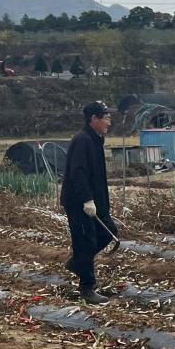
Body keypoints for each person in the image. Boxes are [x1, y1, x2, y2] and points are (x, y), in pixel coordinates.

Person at [60, 101, 119, 305]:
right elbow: (78, 173)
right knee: (85, 242)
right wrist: (86, 199)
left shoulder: (95, 140)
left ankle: (78, 262)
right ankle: (87, 288)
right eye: (106, 117)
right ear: (94, 118)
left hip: (97, 203)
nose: (109, 121)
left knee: (109, 231)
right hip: (79, 203)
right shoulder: (82, 141)